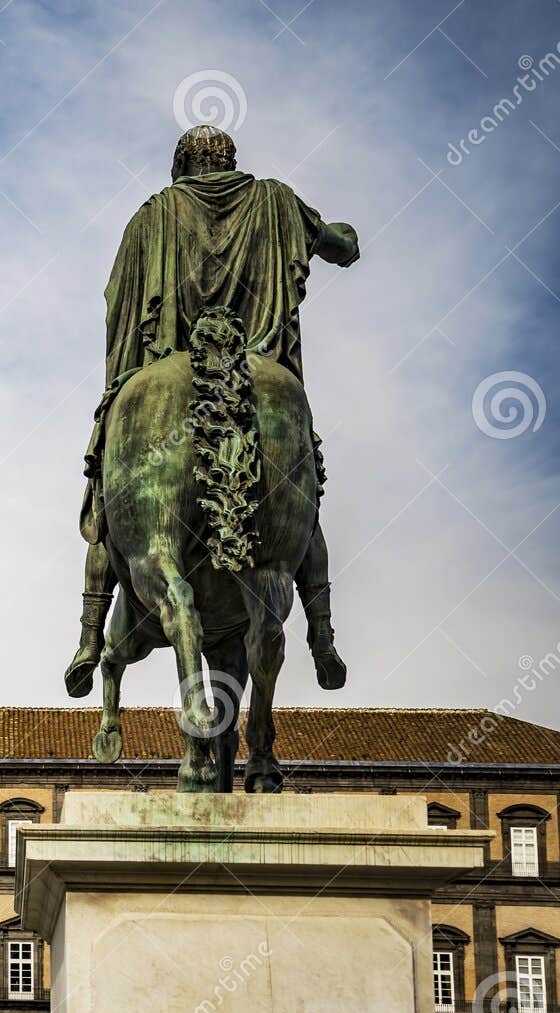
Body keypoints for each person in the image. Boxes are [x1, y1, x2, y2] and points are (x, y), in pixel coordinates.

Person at [66, 125, 358, 698]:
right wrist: (328, 231)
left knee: (107, 497)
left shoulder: (151, 217)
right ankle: (322, 634)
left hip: (166, 365)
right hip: (265, 373)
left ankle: (88, 638)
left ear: (181, 167)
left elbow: (117, 309)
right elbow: (342, 246)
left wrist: (127, 388)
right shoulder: (275, 200)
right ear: (229, 160)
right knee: (305, 505)